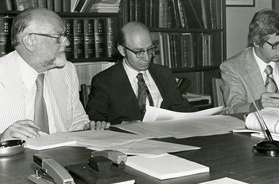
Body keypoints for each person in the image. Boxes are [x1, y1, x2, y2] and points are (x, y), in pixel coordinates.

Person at [0, 8, 106, 142]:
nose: (67, 42)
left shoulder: (67, 70)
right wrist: (2, 139)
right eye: (58, 37)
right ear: (30, 41)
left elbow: (76, 121)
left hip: (61, 158)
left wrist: (88, 128)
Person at [86, 21, 196, 125]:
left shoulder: (164, 73)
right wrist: (122, 125)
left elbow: (182, 108)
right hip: (127, 141)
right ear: (122, 50)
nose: (147, 57)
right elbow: (96, 120)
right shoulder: (103, 81)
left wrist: (207, 117)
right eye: (139, 52)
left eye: (150, 49)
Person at [220, 9, 279, 114]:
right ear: (256, 42)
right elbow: (233, 108)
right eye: (276, 44)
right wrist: (257, 105)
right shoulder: (232, 67)